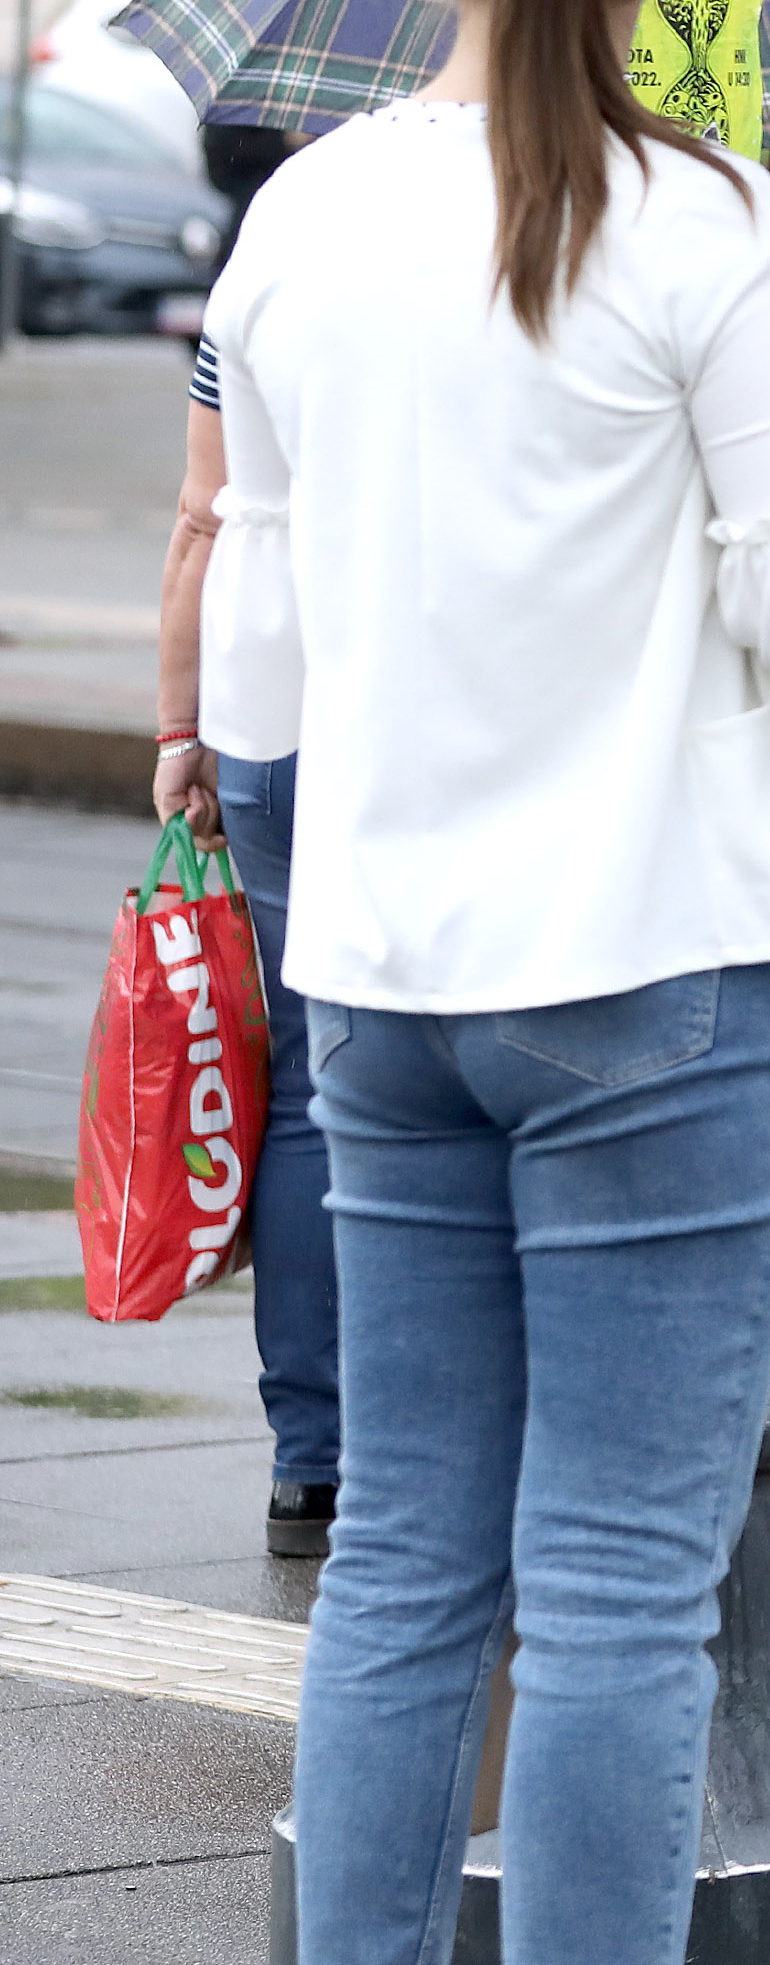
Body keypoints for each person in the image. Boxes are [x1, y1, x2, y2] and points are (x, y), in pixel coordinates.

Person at [201, 0, 770, 1965]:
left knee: (408, 1559)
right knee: (626, 1582)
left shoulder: (304, 218)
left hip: (389, 965)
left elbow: (260, 647)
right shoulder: (709, 220)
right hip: (661, 959)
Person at [151, 348, 337, 1559]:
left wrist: (181, 727)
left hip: (273, 720)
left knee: (313, 1093)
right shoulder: (515, 226)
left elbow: (197, 522)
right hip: (435, 714)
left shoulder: (269, 257)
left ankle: (311, 1465)